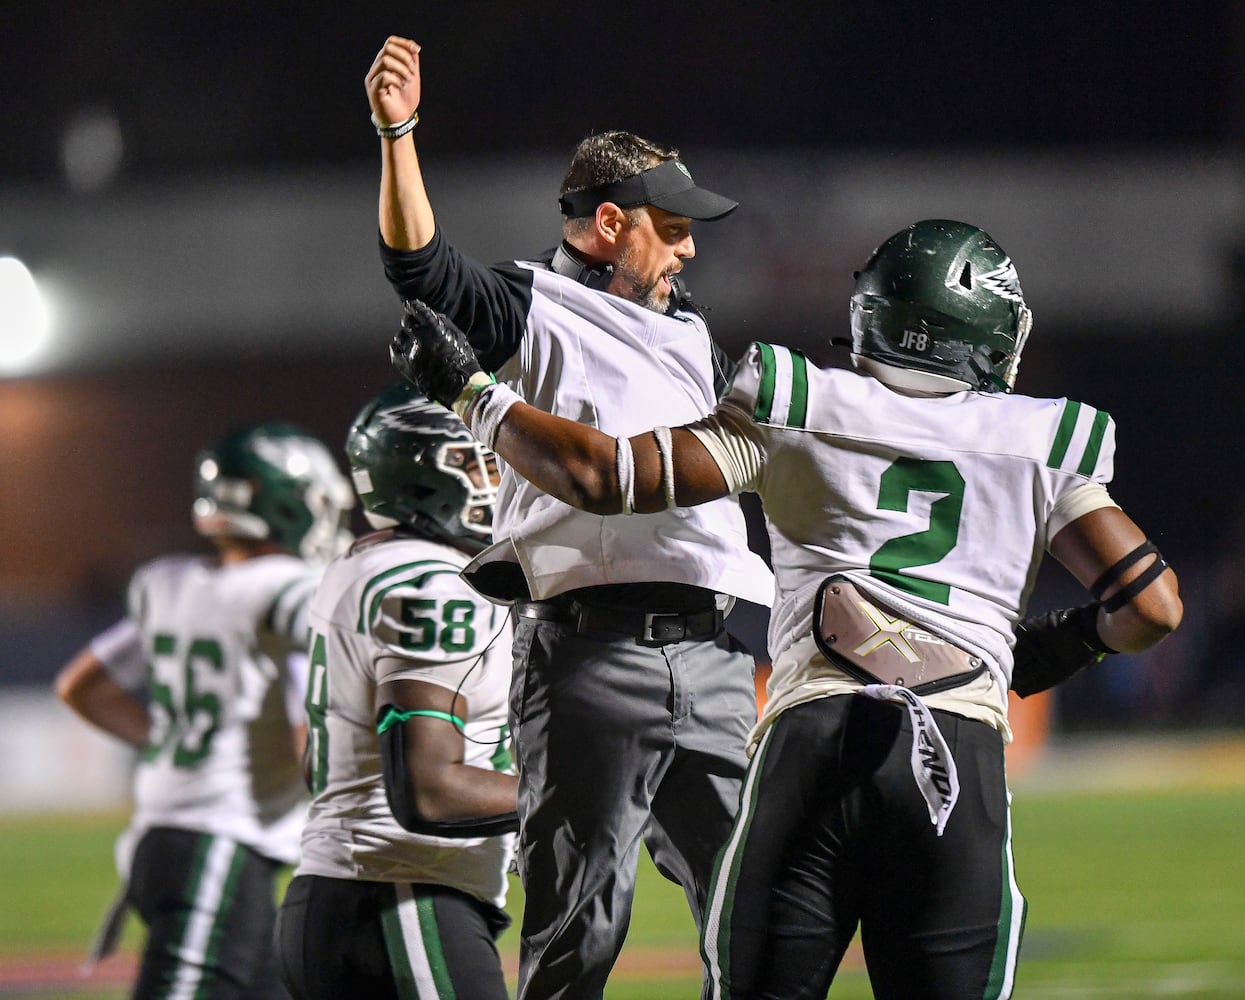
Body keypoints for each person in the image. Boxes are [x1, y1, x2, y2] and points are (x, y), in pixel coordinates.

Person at [392, 218, 1185, 999]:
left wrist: (473, 395)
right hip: (956, 753)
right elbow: (1150, 605)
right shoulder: (1041, 437)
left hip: (813, 744)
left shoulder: (797, 399)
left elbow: (608, 478)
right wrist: (1070, 641)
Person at [365, 34, 775, 1000]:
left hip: (716, 658)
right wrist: (398, 135)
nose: (685, 248)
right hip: (592, 659)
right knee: (577, 939)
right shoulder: (532, 301)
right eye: (669, 229)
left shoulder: (690, 326)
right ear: (606, 222)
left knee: (757, 910)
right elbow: (421, 270)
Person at [55, 422, 355, 1000]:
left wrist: (167, 738)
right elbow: (319, 714)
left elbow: (79, 686)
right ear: (285, 505)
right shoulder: (290, 588)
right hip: (215, 841)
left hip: (171, 835)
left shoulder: (171, 584)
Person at [274, 384, 519, 1000]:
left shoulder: (365, 565)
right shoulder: (434, 585)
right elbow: (429, 791)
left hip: (348, 898)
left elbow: (320, 764)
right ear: (421, 476)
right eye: (479, 461)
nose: (502, 480)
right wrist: (590, 794)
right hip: (403, 906)